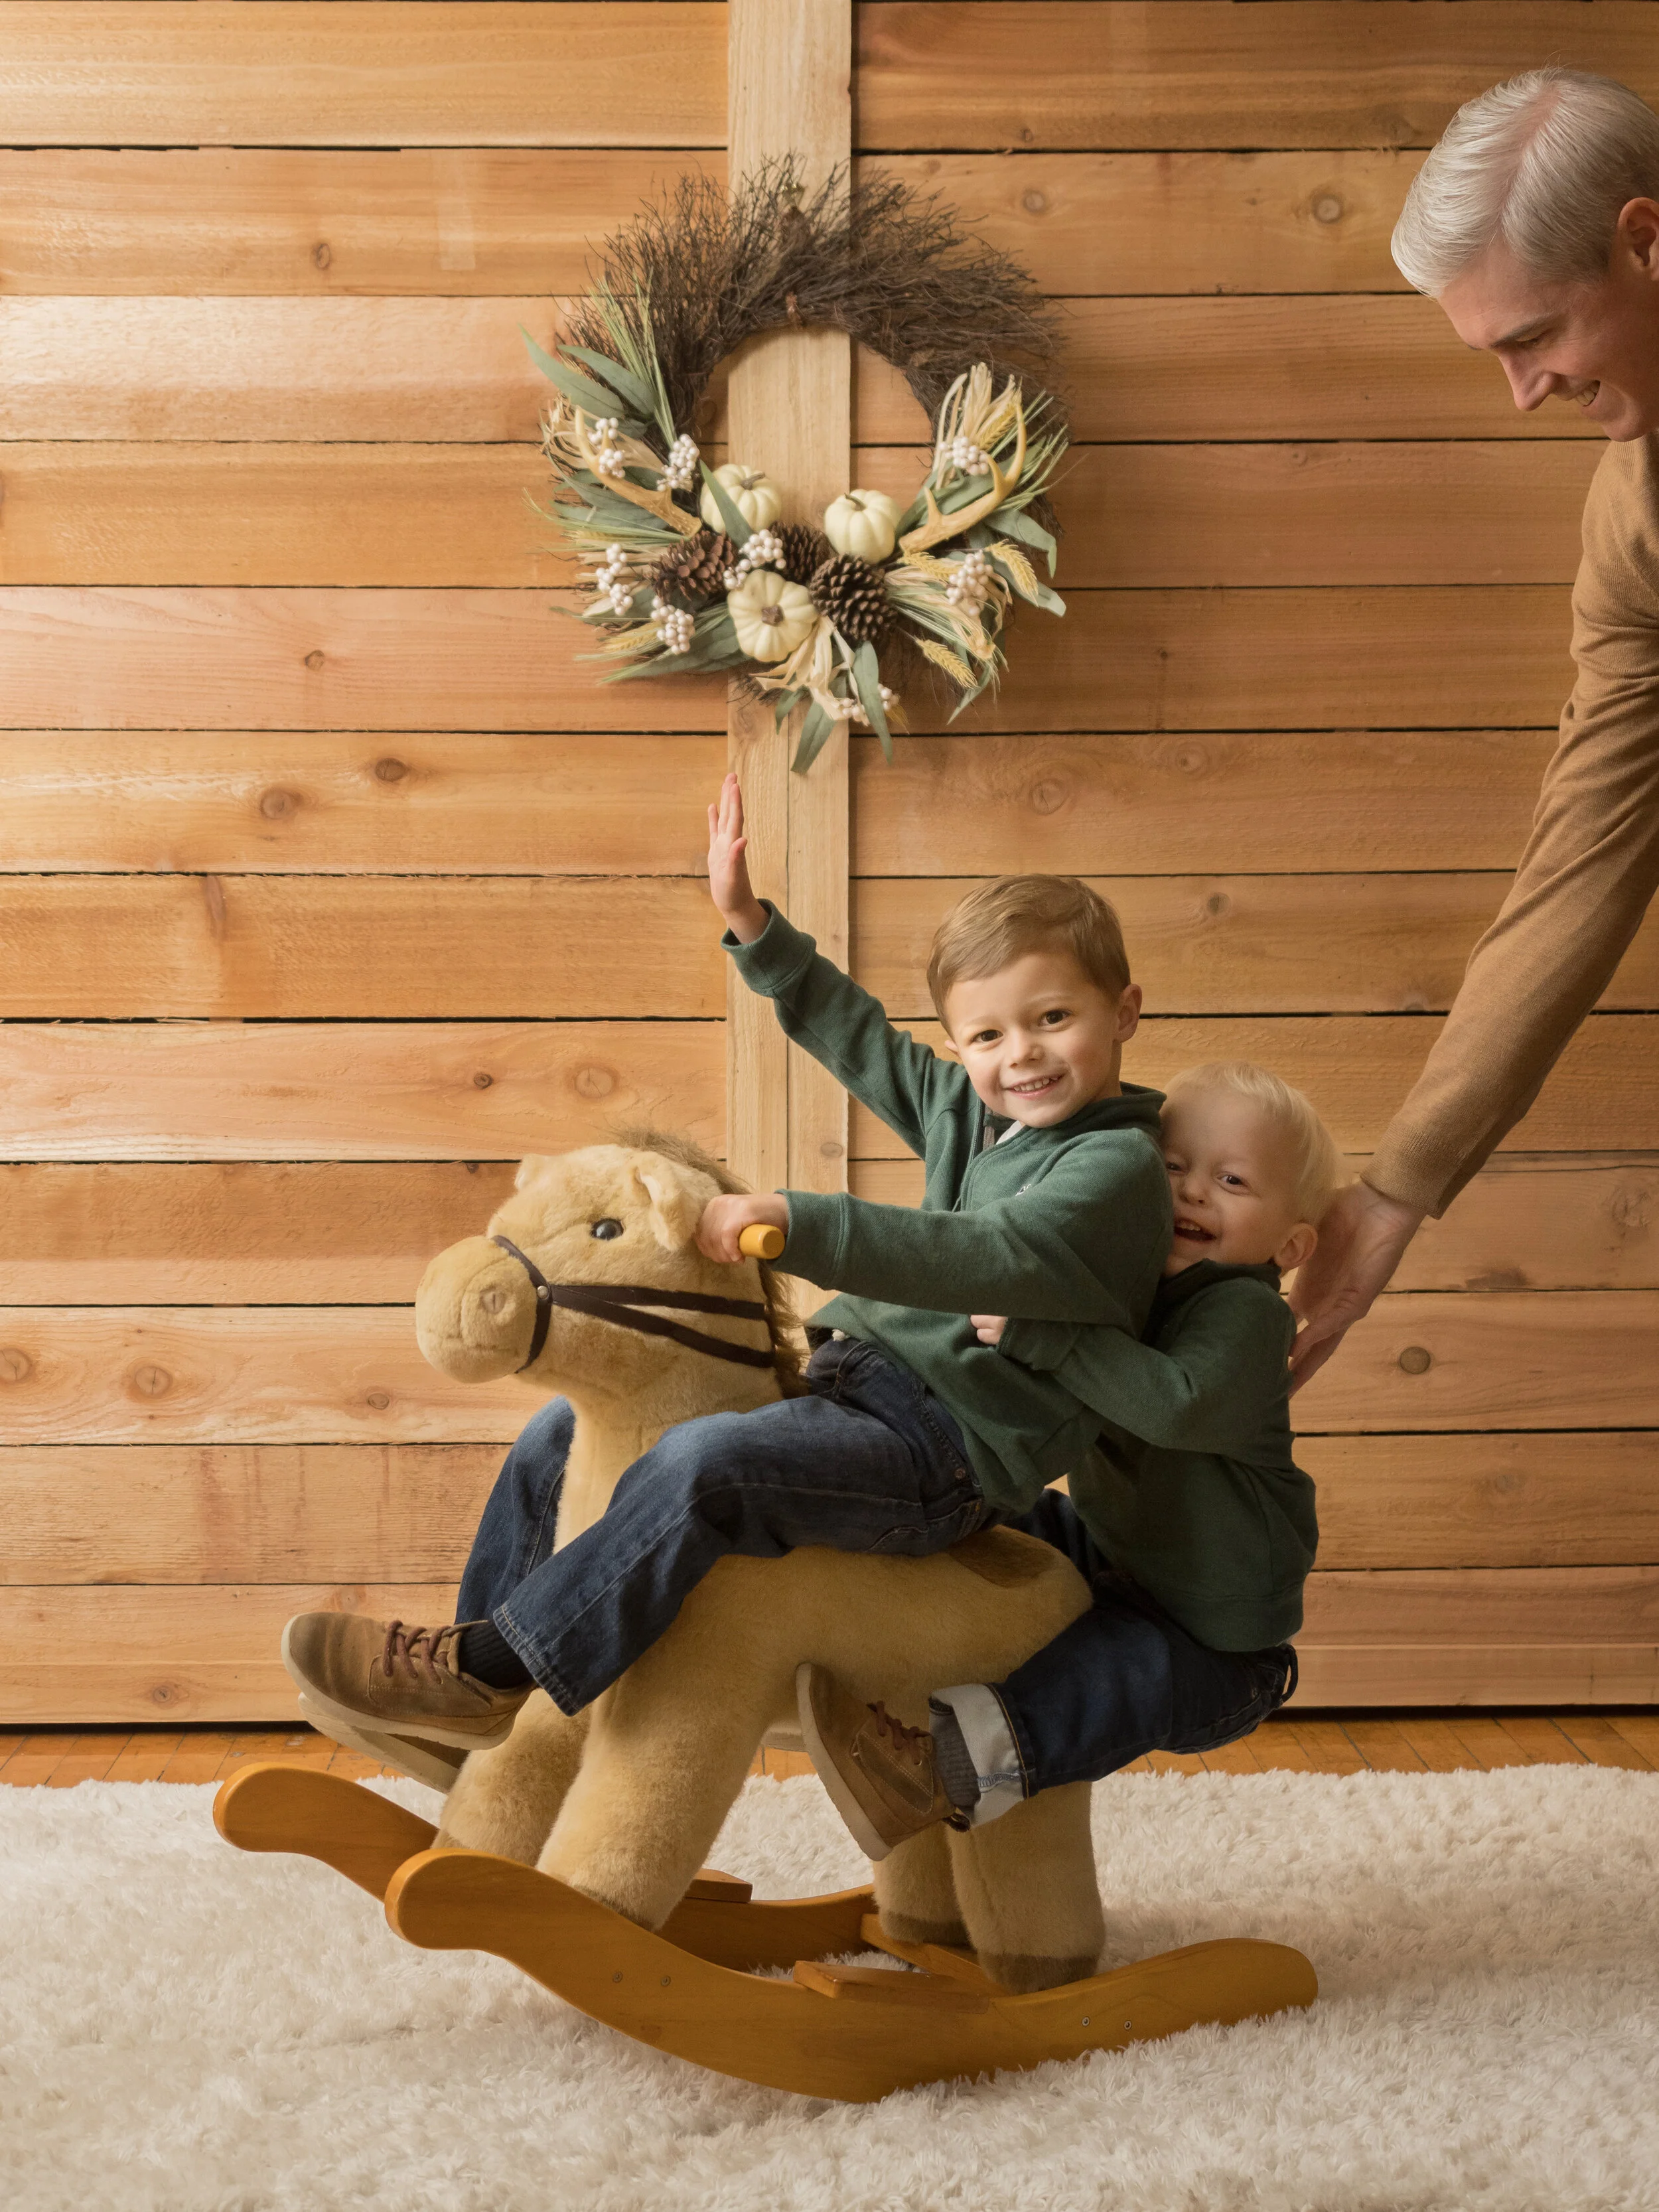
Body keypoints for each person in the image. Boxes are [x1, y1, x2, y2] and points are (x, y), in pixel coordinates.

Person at [281, 774, 1172, 1765]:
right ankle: (467, 1699)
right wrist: (752, 925)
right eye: (990, 1036)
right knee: (563, 1429)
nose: (1023, 1056)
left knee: (706, 1469)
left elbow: (981, 1258)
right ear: (962, 1047)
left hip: (946, 1454)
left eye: (1054, 1019)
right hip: (851, 1390)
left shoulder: (1116, 1167)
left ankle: (500, 1666)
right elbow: (864, 1039)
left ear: (1125, 1010)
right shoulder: (981, 1111)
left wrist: (799, 1224)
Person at [1291, 68, 1659, 1384]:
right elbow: (1582, 858)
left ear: (1644, 238)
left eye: (1534, 338)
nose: (1521, 391)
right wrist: (1391, 1195)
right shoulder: (1632, 529)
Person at [796, 1063, 1342, 1859]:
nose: (1191, 1193)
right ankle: (873, 1618)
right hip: (1114, 1550)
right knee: (985, 1506)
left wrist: (1049, 1336)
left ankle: (938, 1768)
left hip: (1214, 1633)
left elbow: (1177, 1406)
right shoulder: (1129, 1289)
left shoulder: (1248, 1310)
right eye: (1172, 1167)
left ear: (1290, 1245)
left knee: (1106, 1675)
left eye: (1230, 1180)